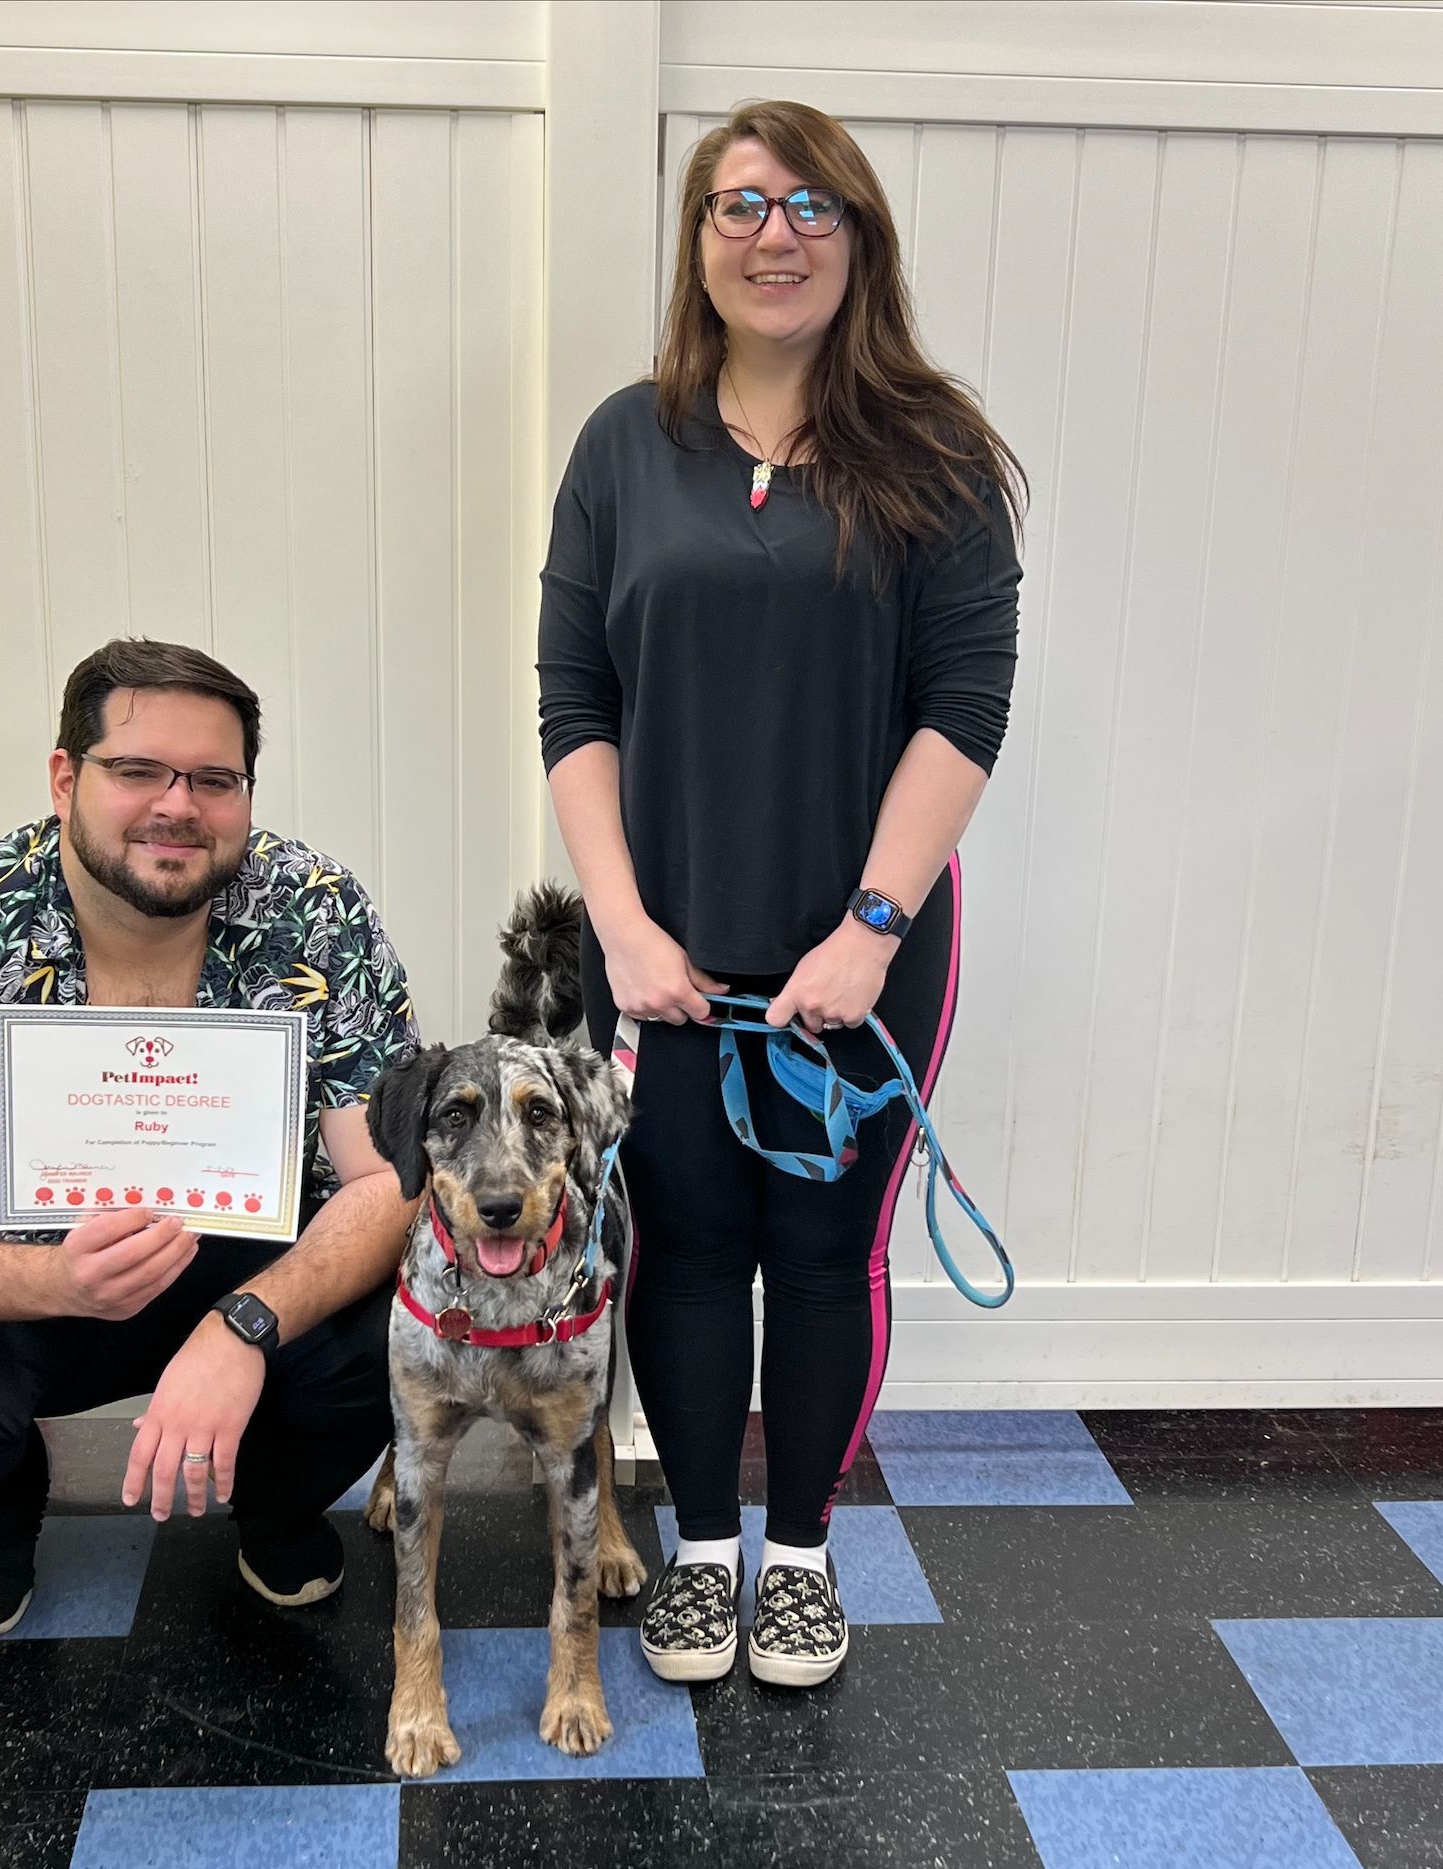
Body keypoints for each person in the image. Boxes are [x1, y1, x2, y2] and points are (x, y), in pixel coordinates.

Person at [538, 101, 1023, 1688]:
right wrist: (620, 925)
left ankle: (799, 1554)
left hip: (861, 943)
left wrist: (868, 931)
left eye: (812, 205)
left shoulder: (935, 452)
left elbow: (964, 708)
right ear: (697, 242)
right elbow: (573, 704)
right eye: (739, 204)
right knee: (678, 1246)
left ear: (858, 240)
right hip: (662, 942)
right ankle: (693, 1552)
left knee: (823, 1248)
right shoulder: (625, 442)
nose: (774, 233)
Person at [0, 638, 419, 1637]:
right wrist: (57, 1285)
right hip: (27, 1275)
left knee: (405, 1327)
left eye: (214, 780)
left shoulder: (315, 911)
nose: (177, 804)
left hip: (257, 1266)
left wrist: (247, 1325)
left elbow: (390, 1183)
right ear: (66, 778)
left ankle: (277, 1507)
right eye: (138, 770)